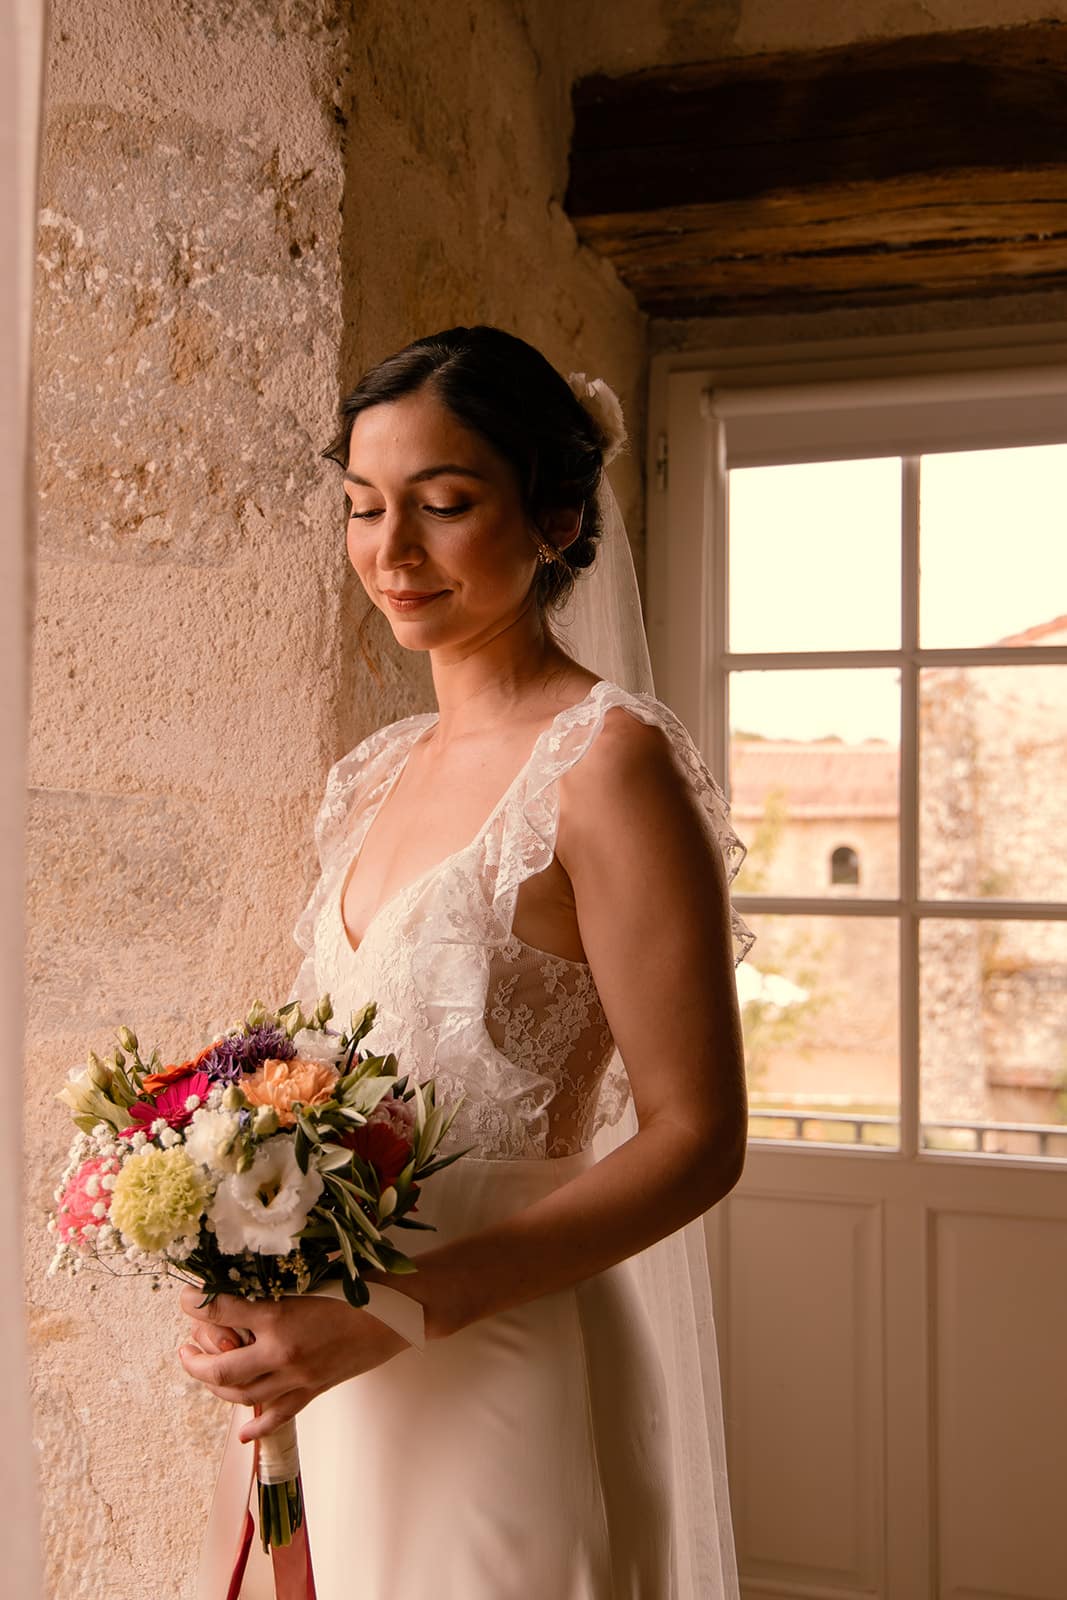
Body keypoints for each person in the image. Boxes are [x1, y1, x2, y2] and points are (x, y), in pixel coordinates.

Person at [179, 325, 753, 1600]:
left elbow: (697, 1137)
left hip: (501, 1355)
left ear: (553, 515)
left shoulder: (609, 765)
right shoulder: (375, 771)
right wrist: (234, 1244)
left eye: (443, 505)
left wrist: (389, 1310)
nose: (391, 553)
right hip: (328, 1367)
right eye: (363, 507)